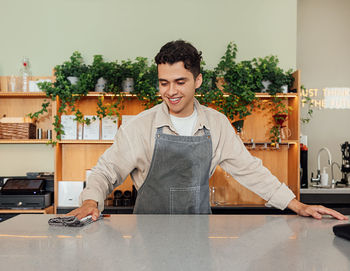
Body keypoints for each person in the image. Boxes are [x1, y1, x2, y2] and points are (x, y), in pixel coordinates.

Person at [68, 40, 347, 221]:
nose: (171, 91)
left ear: (198, 80)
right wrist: (91, 200)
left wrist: (297, 205)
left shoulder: (216, 124)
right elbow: (106, 170)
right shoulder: (141, 125)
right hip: (148, 238)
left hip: (199, 235)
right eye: (163, 83)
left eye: (180, 81)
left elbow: (250, 170)